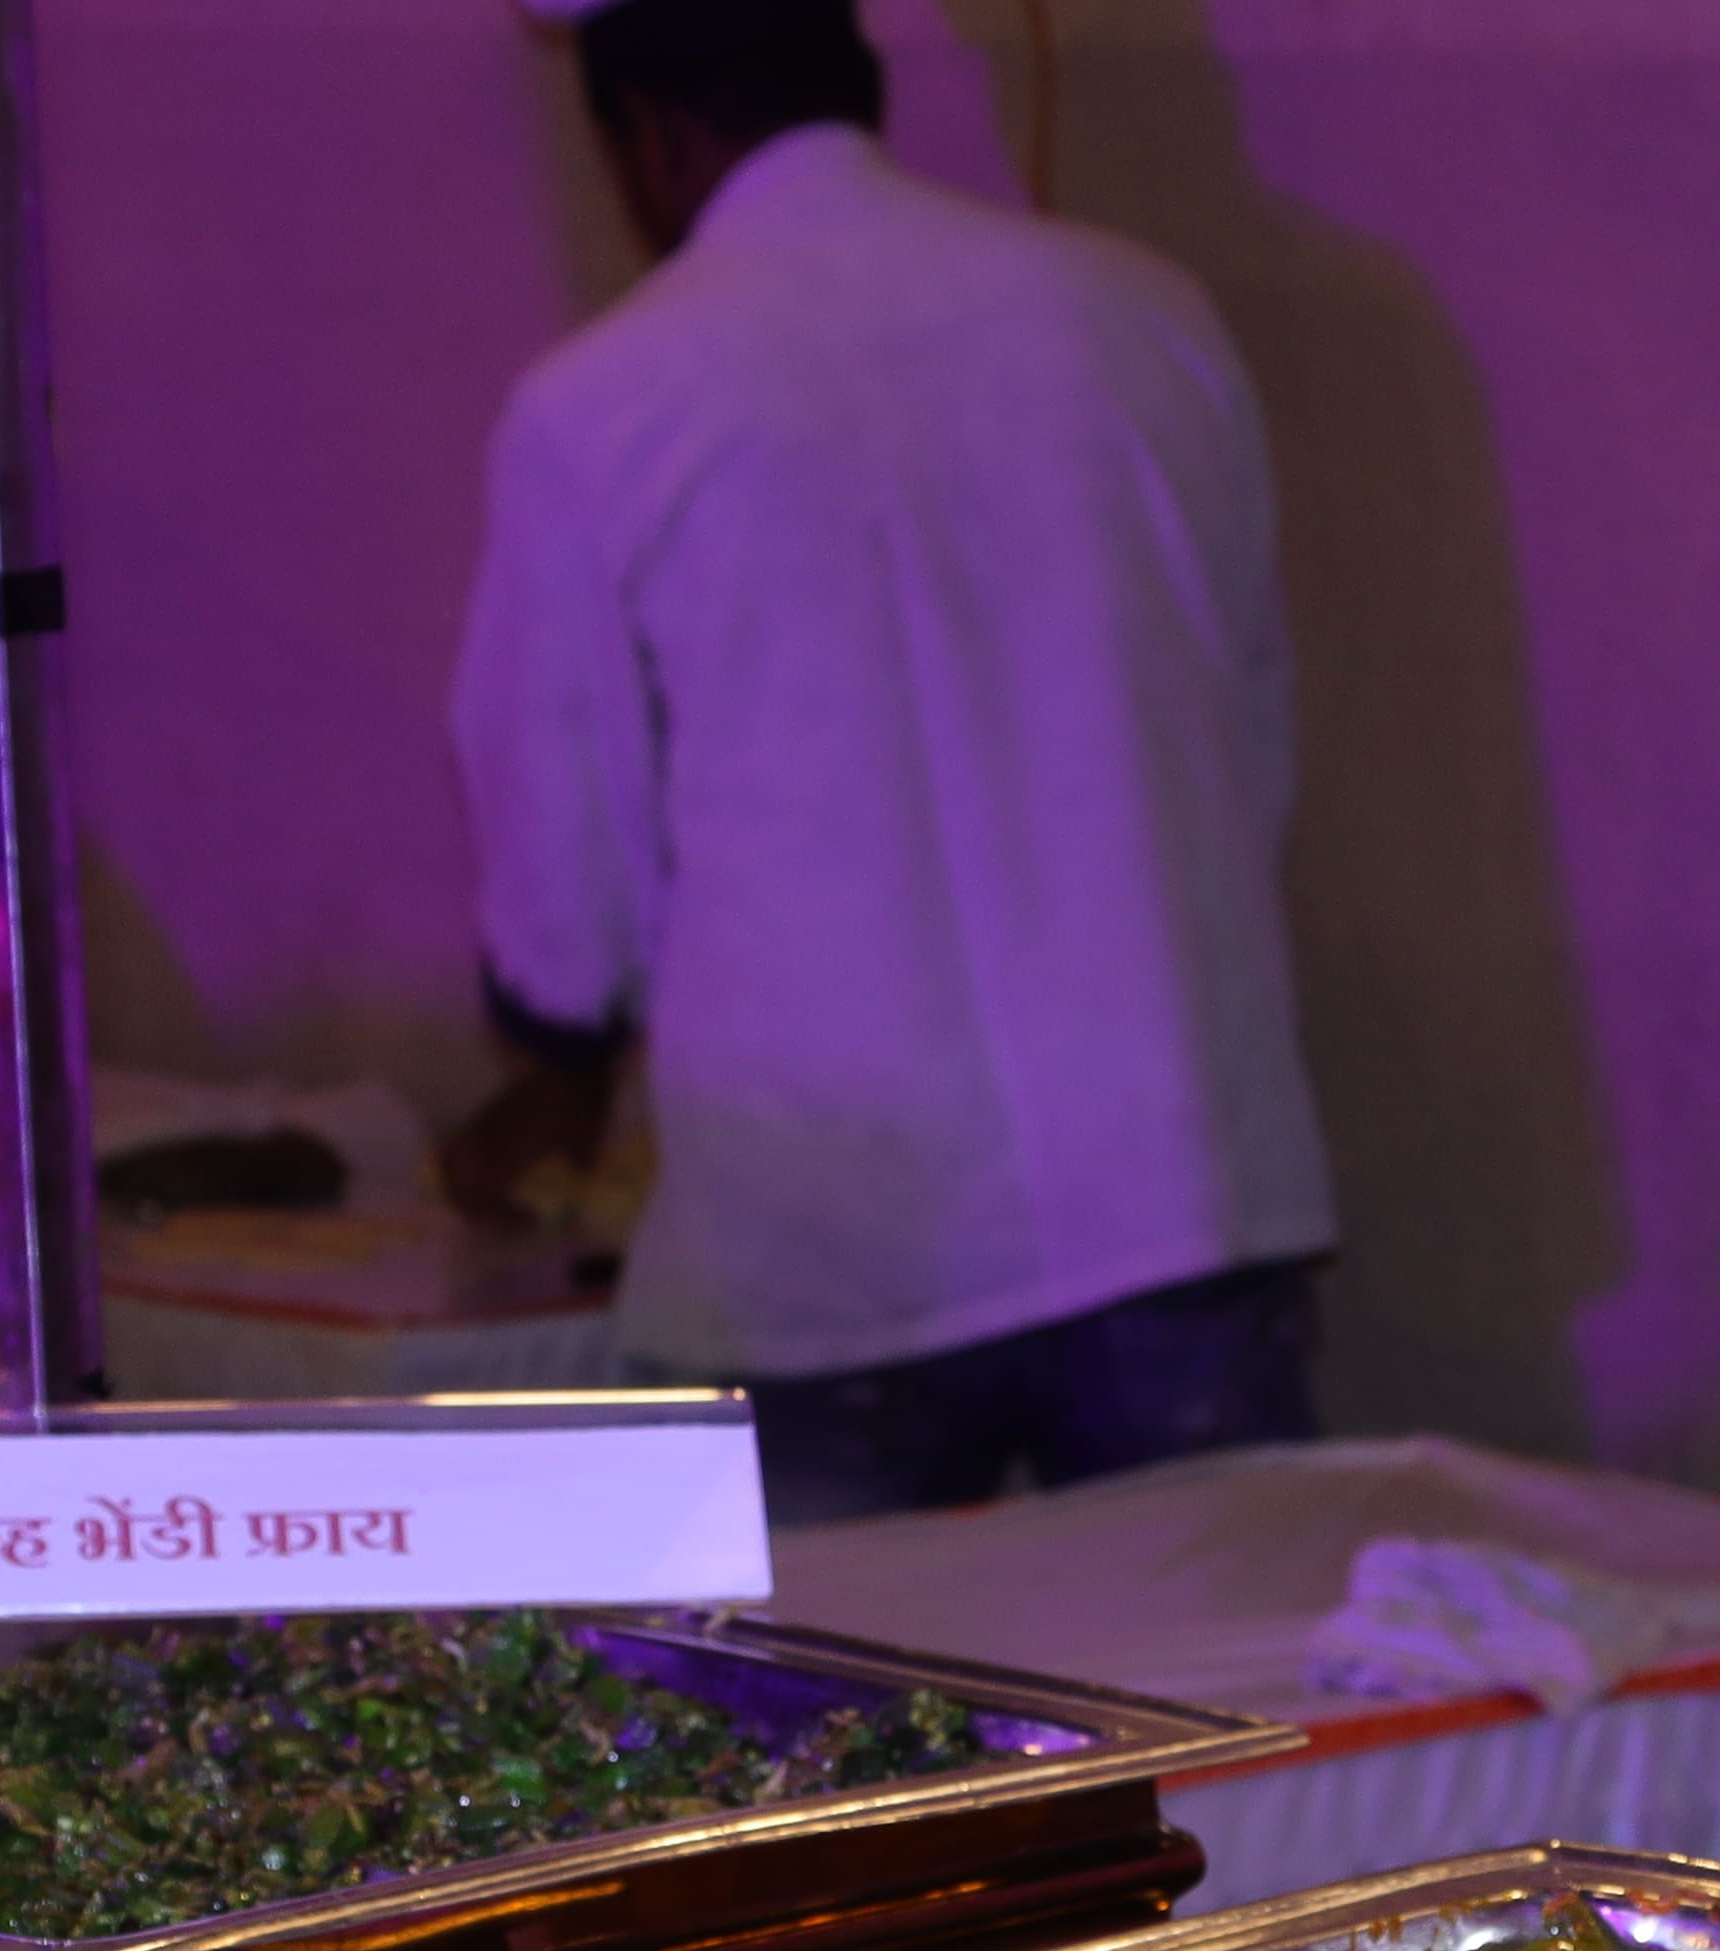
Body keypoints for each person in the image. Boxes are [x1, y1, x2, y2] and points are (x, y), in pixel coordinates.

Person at [444, 0, 1334, 1522]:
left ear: (650, 138)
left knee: (832, 1684)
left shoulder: (602, 405)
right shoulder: (1146, 317)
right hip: (1174, 1177)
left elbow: (563, 851)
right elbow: (1242, 730)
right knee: (1209, 1673)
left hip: (833, 1243)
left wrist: (561, 1063)